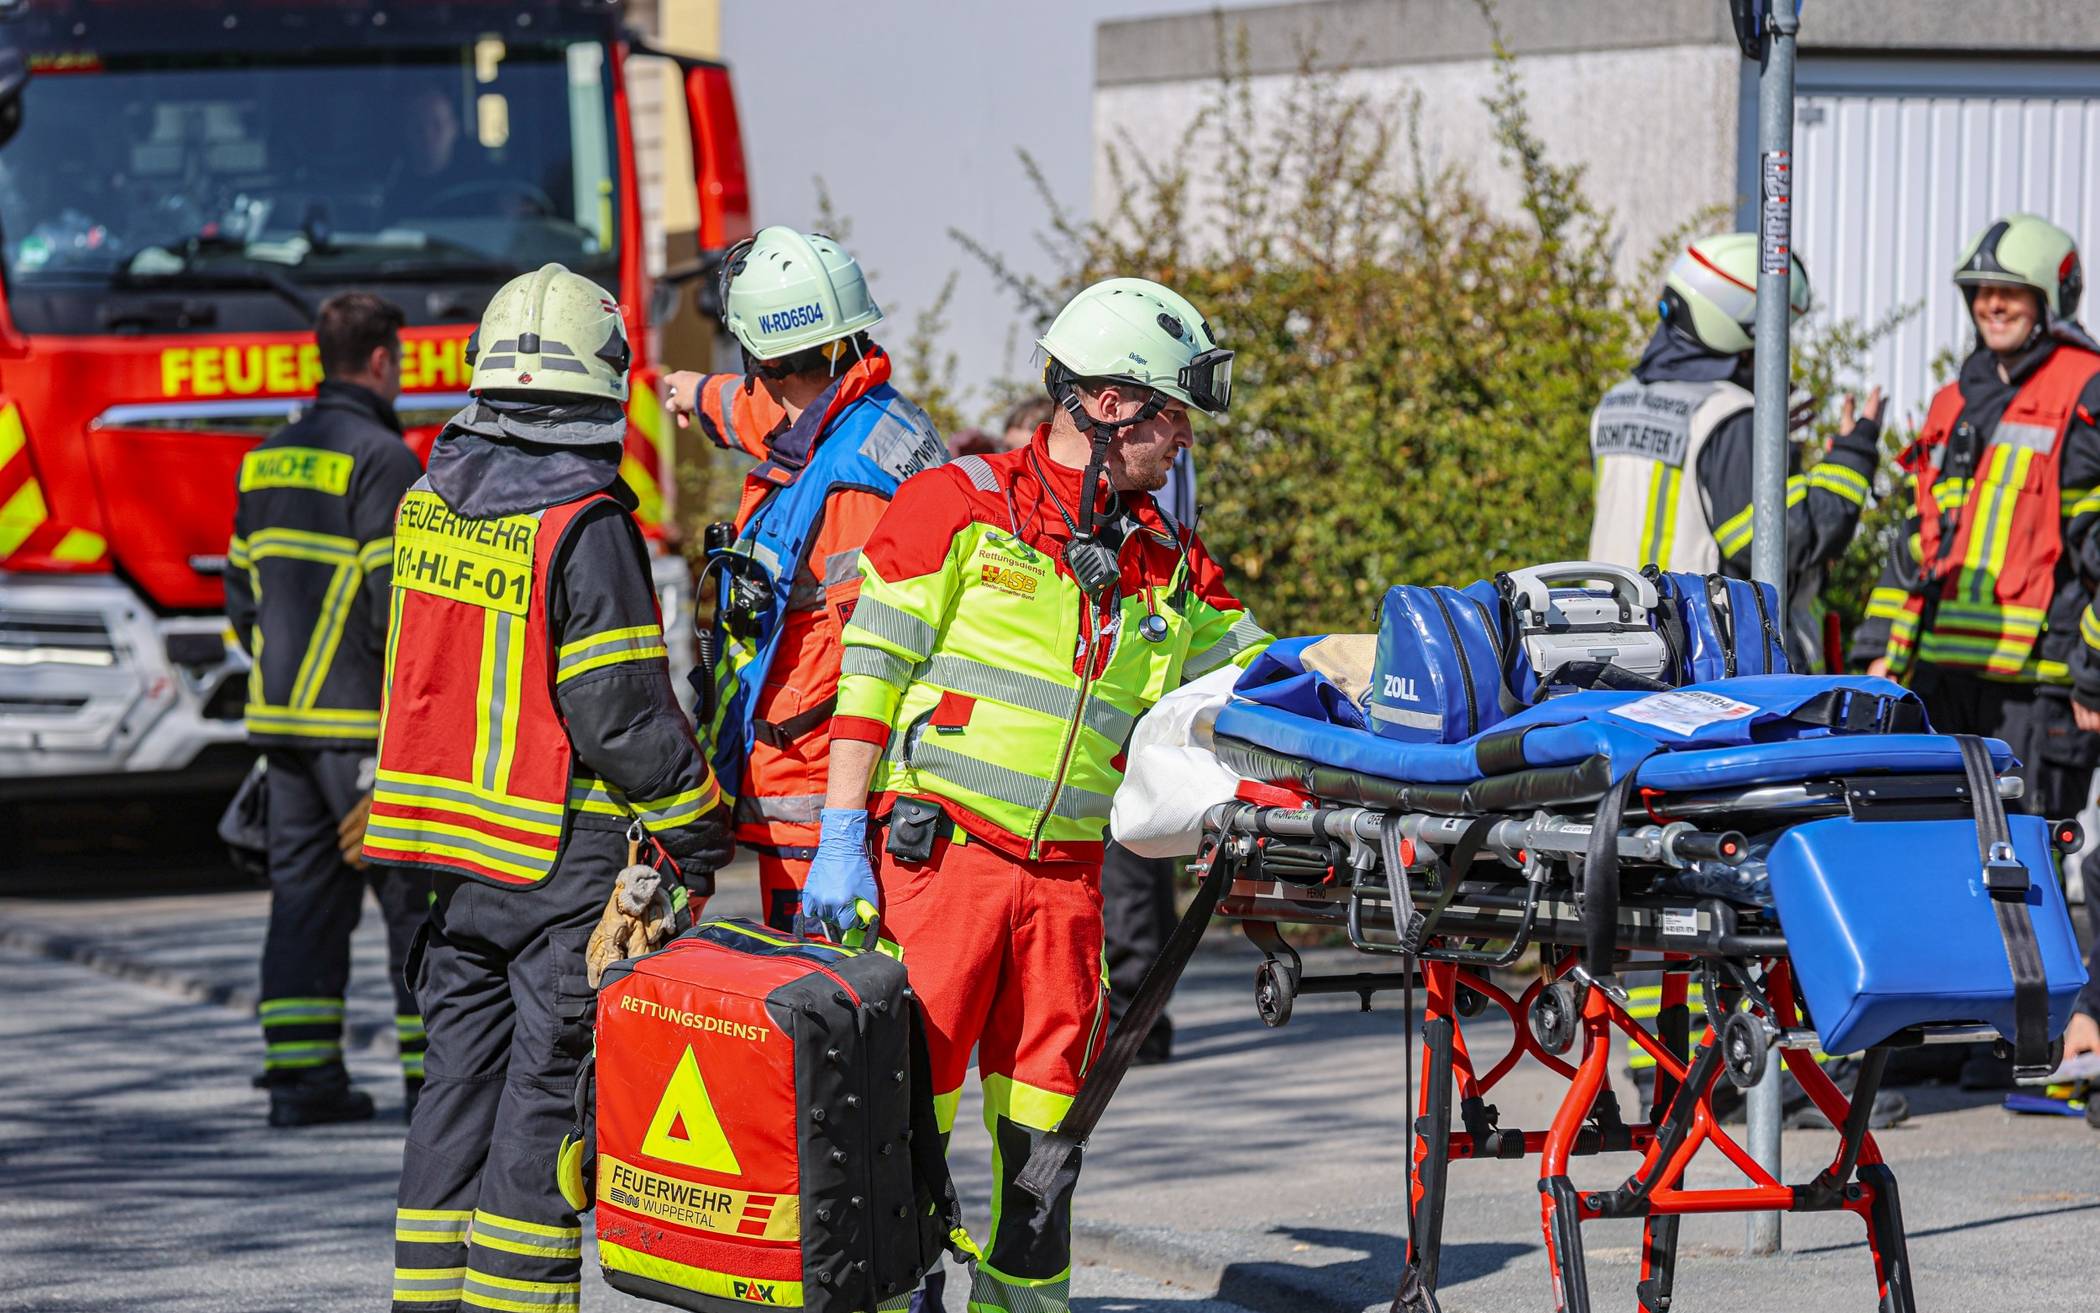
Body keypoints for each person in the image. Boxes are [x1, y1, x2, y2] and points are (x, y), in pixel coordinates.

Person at [809, 276, 1271, 1313]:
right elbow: (870, 676)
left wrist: (1377, 682)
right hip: (940, 869)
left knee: (1047, 1138)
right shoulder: (955, 504)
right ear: (1108, 405)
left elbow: (1265, 678)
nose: (1185, 439)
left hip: (1066, 888)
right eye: (1171, 414)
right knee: (903, 1121)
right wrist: (841, 834)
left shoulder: (1167, 562)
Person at [371, 264, 731, 1313]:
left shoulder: (426, 500)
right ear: (600, 382)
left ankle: (427, 1300)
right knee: (545, 1098)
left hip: (450, 857)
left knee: (454, 1090)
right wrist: (697, 826)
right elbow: (619, 714)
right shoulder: (584, 520)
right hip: (557, 856)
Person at [1854, 214, 2100, 1089]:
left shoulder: (2085, 389)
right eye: (1982, 292)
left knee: (2027, 858)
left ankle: (2039, 1038)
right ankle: (1959, 1037)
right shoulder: (1955, 399)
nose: (1992, 305)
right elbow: (1916, 543)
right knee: (1948, 859)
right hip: (1945, 675)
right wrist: (1882, 653)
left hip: (2041, 681)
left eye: (2011, 292)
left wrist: (2092, 672)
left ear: (2052, 298)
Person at [664, 226, 946, 932]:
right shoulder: (859, 413)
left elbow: (871, 659)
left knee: (818, 988)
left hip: (817, 794)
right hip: (809, 778)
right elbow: (755, 411)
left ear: (763, 355)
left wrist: (843, 833)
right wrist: (694, 393)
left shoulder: (850, 485)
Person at [225, 292, 426, 1127]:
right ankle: (434, 1085)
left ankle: (301, 1080)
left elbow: (241, 596)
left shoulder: (265, 460)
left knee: (303, 900)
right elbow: (398, 606)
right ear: (380, 359)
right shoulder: (383, 459)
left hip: (284, 728)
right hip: (362, 733)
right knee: (413, 899)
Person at [1589, 232, 1884, 669]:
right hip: (1691, 657)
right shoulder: (1728, 415)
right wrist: (1852, 452)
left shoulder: (1616, 401)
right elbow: (1781, 541)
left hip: (1606, 645)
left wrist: (1769, 441)